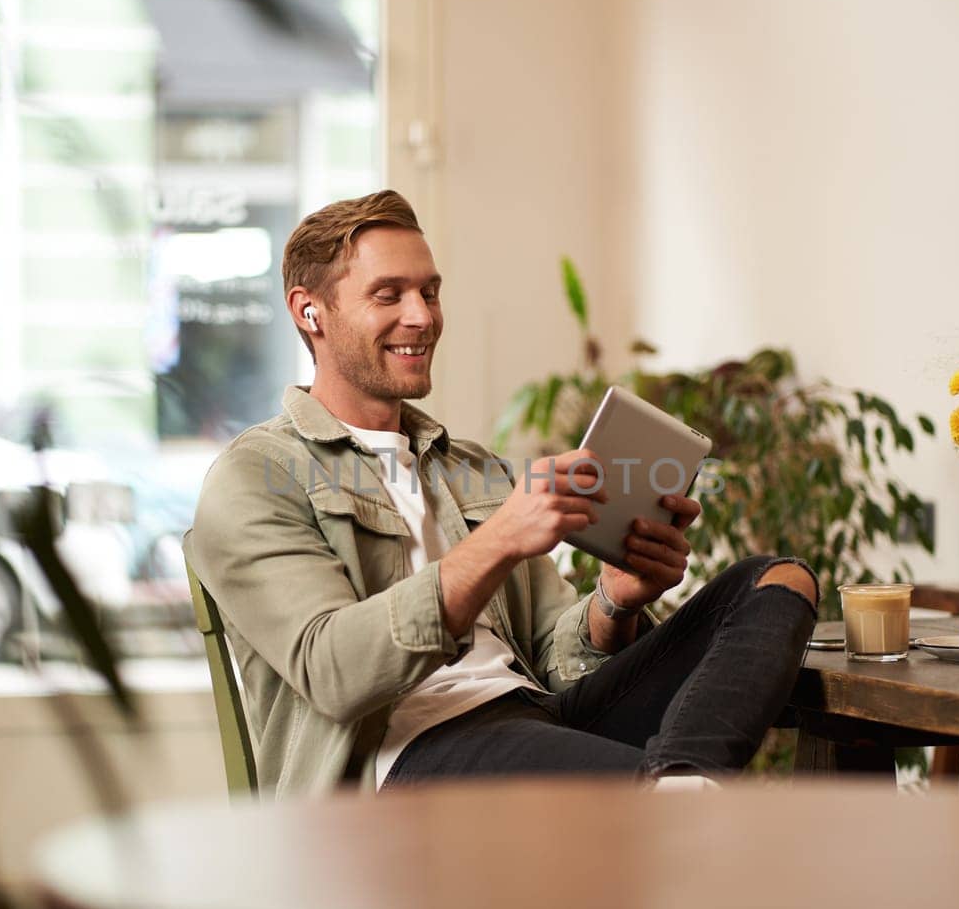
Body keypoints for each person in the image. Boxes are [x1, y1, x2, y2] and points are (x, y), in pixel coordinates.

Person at [189, 190, 819, 798]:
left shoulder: (470, 468)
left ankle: (683, 785)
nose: (423, 316)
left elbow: (556, 656)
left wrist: (616, 602)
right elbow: (333, 673)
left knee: (777, 583)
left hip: (536, 718)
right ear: (309, 311)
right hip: (407, 757)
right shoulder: (257, 475)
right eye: (390, 295)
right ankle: (675, 796)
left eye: (430, 293)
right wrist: (497, 541)